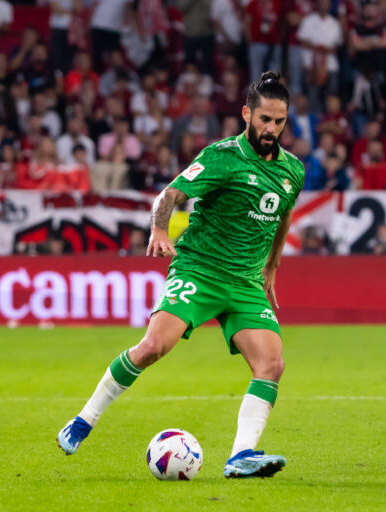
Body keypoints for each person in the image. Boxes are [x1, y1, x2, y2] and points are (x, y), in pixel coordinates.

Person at [57, 72, 305, 479]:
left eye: (279, 121)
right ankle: (83, 420)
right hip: (200, 269)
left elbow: (284, 213)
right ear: (247, 114)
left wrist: (272, 264)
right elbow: (169, 194)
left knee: (272, 364)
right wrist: (159, 230)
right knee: (153, 347)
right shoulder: (222, 157)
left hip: (245, 282)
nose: (271, 129)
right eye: (264, 119)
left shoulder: (292, 170)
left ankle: (241, 456)